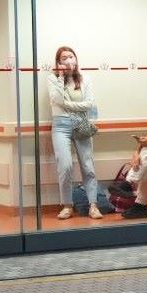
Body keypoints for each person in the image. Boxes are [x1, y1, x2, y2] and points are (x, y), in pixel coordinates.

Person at [47, 46, 102, 220]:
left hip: (81, 124)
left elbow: (90, 103)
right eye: (64, 58)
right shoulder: (53, 79)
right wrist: (61, 77)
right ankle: (67, 205)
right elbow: (56, 99)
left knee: (88, 166)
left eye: (71, 56)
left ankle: (93, 205)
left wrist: (68, 105)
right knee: (65, 166)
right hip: (60, 126)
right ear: (58, 62)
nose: (69, 60)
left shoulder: (85, 78)